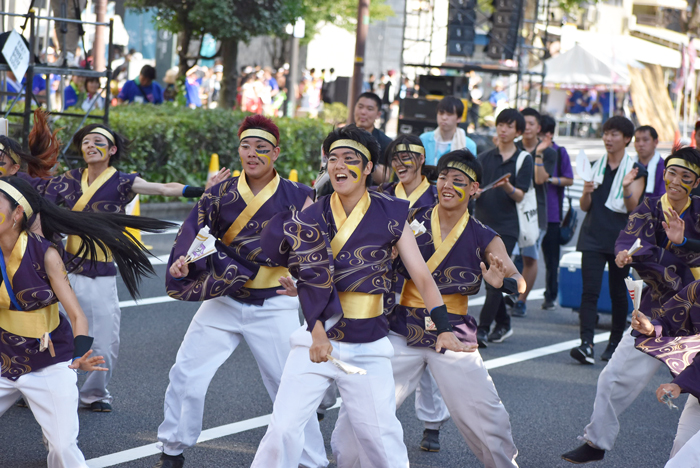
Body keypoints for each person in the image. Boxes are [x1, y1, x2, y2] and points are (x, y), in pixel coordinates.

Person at [250, 124, 470, 467]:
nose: (339, 166)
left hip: (368, 348)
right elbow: (309, 281)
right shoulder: (312, 215)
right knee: (282, 429)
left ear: (368, 167)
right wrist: (317, 331)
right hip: (316, 342)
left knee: (382, 440)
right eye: (333, 158)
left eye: (350, 158)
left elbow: (423, 277)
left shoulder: (392, 213)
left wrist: (443, 327)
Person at [154, 115, 327, 468]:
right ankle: (172, 448)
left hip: (275, 303)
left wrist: (304, 282)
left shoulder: (299, 195)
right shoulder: (220, 192)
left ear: (276, 153)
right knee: (186, 372)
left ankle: (312, 461)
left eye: (261, 148)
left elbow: (314, 248)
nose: (252, 154)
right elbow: (198, 234)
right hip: (225, 299)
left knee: (289, 386)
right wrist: (183, 263)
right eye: (246, 147)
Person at [42, 124, 224, 413]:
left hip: (100, 273)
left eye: (98, 141)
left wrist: (204, 190)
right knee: (55, 331)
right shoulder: (68, 180)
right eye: (86, 142)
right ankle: (47, 388)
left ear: (112, 150)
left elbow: (163, 188)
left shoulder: (123, 181)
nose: (90, 145)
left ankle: (94, 394)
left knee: (104, 340)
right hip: (64, 272)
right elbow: (39, 204)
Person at [0, 175, 171, 468]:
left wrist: (79, 355)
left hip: (49, 362)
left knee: (64, 449)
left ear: (17, 214)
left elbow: (77, 315)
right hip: (4, 359)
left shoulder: (46, 253)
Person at [379, 149, 523, 467]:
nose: (446, 184)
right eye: (443, 176)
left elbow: (519, 280)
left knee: (487, 415)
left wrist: (503, 283)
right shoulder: (412, 218)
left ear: (474, 189)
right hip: (404, 326)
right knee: (368, 403)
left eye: (458, 180)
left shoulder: (482, 235)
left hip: (454, 332)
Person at [562, 147, 700, 464]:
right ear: (664, 173)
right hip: (656, 313)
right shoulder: (651, 207)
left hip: (695, 316)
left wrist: (682, 243)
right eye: (672, 173)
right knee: (612, 378)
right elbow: (629, 237)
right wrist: (627, 252)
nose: (677, 181)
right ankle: (596, 442)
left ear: (696, 182)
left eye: (686, 177)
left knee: (695, 405)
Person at [373, 135, 446, 451]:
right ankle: (375, 421)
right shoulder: (382, 195)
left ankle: (432, 424)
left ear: (421, 159)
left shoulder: (438, 196)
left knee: (431, 355)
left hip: (429, 285)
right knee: (391, 355)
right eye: (395, 158)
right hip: (390, 287)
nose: (401, 164)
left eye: (408, 157)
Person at [569, 116, 646, 365]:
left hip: (621, 240)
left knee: (617, 293)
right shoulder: (594, 165)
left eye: (614, 134)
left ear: (626, 139)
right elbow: (585, 206)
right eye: (605, 133)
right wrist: (586, 191)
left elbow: (632, 207)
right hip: (592, 235)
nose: (608, 139)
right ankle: (586, 344)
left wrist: (625, 187)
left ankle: (614, 343)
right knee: (589, 292)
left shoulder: (636, 170)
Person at [474, 109, 532, 347]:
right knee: (487, 275)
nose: (503, 129)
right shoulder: (484, 157)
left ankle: (482, 329)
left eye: (509, 126)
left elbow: (520, 196)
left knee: (495, 277)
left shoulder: (523, 159)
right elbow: (474, 185)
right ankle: (504, 322)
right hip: (482, 223)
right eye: (500, 125)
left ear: (517, 132)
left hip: (507, 226)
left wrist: (507, 186)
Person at [631, 280, 700, 467]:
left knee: (687, 460)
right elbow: (670, 318)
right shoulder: (697, 288)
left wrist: (679, 384)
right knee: (681, 446)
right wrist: (652, 328)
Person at [511, 108, 557, 317]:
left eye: (531, 124)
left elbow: (540, 179)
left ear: (538, 127)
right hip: (511, 210)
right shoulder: (512, 147)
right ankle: (507, 293)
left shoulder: (548, 151)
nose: (527, 128)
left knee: (530, 258)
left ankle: (521, 300)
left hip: (535, 213)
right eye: (524, 124)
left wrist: (538, 153)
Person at [539, 115, 574, 310]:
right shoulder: (530, 151)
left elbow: (569, 179)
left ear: (550, 134)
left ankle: (550, 295)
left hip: (552, 214)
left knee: (551, 259)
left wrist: (551, 180)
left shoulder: (559, 152)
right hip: (532, 212)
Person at [419, 96, 477, 166]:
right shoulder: (424, 139)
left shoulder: (469, 145)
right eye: (441, 113)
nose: (444, 117)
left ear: (459, 118)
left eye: (449, 114)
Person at [353, 92, 393, 184]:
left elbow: (384, 178)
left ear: (378, 114)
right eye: (360, 107)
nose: (363, 112)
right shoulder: (341, 136)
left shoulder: (385, 142)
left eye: (369, 109)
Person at [633, 125, 665, 198]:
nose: (641, 144)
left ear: (655, 141)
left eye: (645, 140)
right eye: (637, 140)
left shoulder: (664, 166)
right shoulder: (630, 165)